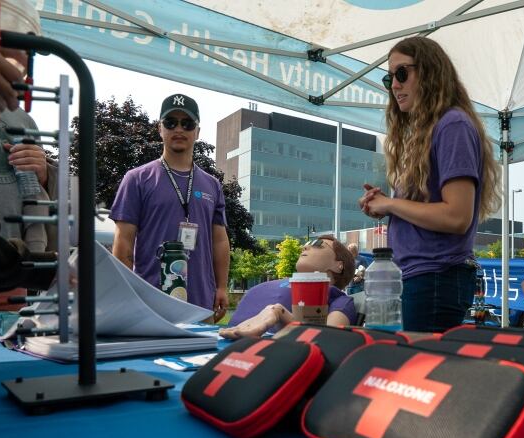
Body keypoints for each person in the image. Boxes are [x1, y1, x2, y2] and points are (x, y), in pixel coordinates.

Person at [359, 36, 500, 333]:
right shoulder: (435, 129)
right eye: (389, 78)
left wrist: (391, 204)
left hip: (436, 278)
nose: (394, 85)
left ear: (430, 72)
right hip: (424, 277)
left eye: (402, 73)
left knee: (418, 372)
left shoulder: (453, 125)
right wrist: (390, 207)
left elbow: (457, 216)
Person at [0, 8, 58, 327]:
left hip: (3, 267)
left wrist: (45, 172)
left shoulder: (23, 120)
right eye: (20, 43)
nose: (24, 57)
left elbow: (37, 202)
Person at [111, 94, 231, 318]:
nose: (179, 129)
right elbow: (123, 241)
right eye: (171, 122)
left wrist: (222, 287)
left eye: (187, 124)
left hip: (200, 302)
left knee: (200, 354)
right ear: (160, 129)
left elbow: (220, 240)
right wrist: (126, 291)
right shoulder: (137, 179)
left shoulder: (212, 185)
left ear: (197, 132)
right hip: (150, 300)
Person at [219, 235, 356, 339]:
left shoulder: (340, 300)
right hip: (215, 338)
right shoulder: (268, 284)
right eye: (306, 243)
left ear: (339, 266)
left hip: (258, 352)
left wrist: (279, 313)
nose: (305, 247)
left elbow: (326, 340)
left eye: (317, 244)